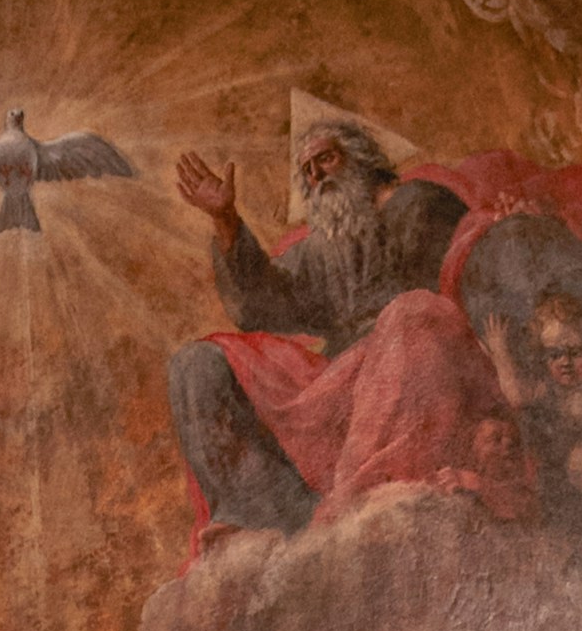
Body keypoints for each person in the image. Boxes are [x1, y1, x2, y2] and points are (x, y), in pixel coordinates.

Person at [166, 115, 523, 540]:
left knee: (406, 314)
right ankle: (265, 514)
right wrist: (226, 219)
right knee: (196, 364)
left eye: (326, 160)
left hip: (427, 366)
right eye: (307, 172)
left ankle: (340, 512)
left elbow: (474, 261)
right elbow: (259, 304)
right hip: (346, 379)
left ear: (361, 160)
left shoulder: (417, 203)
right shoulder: (322, 250)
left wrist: (500, 227)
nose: (316, 176)